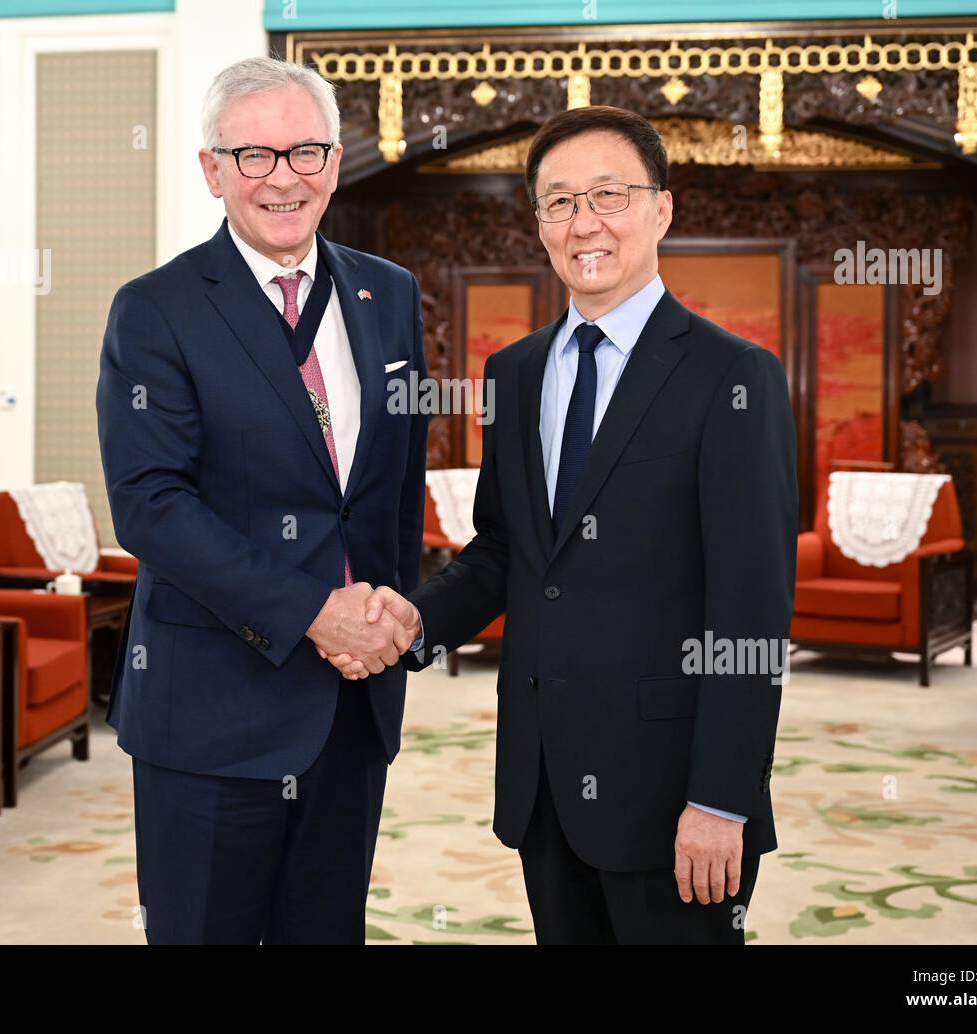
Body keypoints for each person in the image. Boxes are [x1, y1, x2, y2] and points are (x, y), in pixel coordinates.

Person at [332, 104, 798, 944]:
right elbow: (507, 551)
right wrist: (413, 623)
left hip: (674, 798)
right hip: (544, 780)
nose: (584, 223)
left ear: (661, 209)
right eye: (559, 203)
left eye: (608, 196)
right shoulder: (513, 373)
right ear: (539, 224)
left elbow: (752, 607)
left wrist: (722, 798)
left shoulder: (734, 376)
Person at [96, 56, 428, 943]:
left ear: (336, 159)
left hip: (351, 711)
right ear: (213, 169)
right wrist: (315, 613)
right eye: (254, 156)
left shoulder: (387, 294)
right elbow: (151, 506)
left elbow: (392, 489)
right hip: (211, 712)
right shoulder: (155, 310)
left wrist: (394, 615)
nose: (284, 178)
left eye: (305, 151)